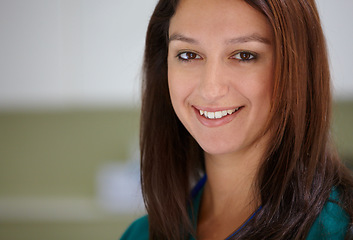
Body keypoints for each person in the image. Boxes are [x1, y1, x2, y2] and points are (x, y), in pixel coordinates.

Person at [121, 0, 353, 239]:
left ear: (298, 67)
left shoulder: (341, 228)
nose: (211, 89)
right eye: (188, 54)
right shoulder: (139, 235)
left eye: (244, 55)